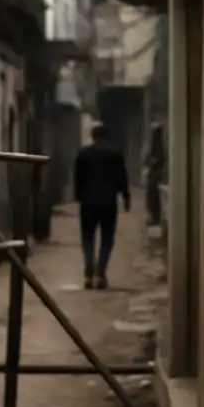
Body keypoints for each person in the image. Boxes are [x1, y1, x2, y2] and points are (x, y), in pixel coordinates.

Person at [73, 122, 130, 289]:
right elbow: (122, 178)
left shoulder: (83, 154)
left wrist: (79, 197)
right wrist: (126, 198)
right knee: (107, 238)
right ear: (106, 136)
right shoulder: (115, 154)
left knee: (87, 238)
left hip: (88, 202)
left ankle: (89, 272)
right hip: (108, 202)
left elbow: (78, 179)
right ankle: (100, 272)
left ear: (92, 136)